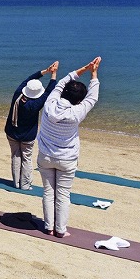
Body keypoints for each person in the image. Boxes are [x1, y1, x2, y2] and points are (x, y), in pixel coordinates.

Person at [37, 56, 101, 238]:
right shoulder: (76, 112)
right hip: (66, 159)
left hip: (46, 156)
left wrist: (84, 68)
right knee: (63, 195)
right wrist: (94, 74)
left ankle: (49, 227)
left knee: (48, 192)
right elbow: (93, 98)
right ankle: (60, 230)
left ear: (64, 93)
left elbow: (62, 81)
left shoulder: (50, 103)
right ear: (78, 100)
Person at [4, 62, 59, 189]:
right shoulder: (36, 104)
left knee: (16, 156)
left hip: (11, 132)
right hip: (27, 136)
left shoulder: (17, 94)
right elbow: (50, 90)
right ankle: (25, 184)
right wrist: (54, 73)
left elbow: (29, 79)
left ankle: (16, 183)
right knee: (26, 159)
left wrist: (45, 71)